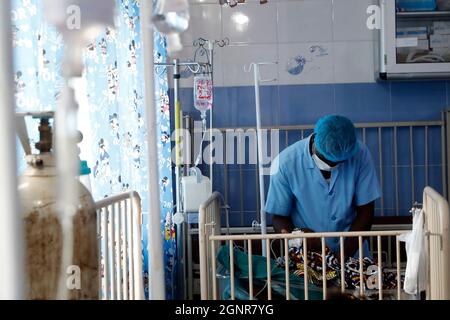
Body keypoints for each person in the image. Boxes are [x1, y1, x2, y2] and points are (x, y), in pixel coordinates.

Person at [265, 115, 381, 258]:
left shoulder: (359, 154)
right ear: (317, 146)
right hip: (308, 256)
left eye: (342, 162)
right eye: (331, 162)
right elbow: (278, 217)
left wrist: (343, 256)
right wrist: (297, 236)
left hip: (354, 252)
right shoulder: (285, 163)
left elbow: (366, 211)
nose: (336, 166)